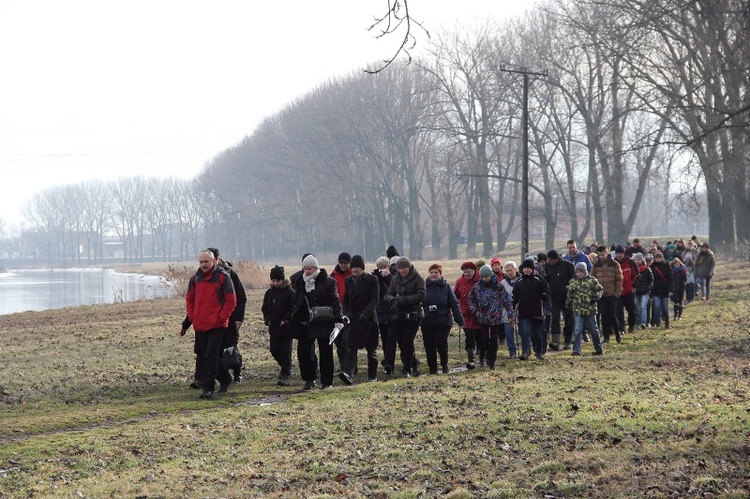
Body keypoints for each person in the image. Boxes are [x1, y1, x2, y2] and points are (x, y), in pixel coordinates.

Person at [180, 247, 246, 386]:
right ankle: (208, 379)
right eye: (201, 262)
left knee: (224, 350)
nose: (204, 264)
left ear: (215, 260)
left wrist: (231, 318)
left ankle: (231, 375)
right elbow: (193, 301)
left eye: (207, 261)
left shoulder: (226, 275)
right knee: (205, 353)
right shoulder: (196, 278)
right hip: (202, 322)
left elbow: (237, 299)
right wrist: (189, 321)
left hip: (223, 321)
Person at [289, 254, 344, 390]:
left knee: (325, 351)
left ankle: (327, 382)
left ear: (316, 268)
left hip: (323, 321)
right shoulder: (298, 281)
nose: (307, 271)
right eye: (305, 268)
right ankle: (309, 379)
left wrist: (338, 319)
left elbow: (335, 301)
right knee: (303, 352)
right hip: (304, 322)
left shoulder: (328, 282)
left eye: (310, 269)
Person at [340, 255, 380, 384]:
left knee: (371, 349)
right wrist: (346, 313)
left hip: (368, 320)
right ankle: (348, 373)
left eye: (357, 267)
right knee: (351, 347)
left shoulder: (372, 280)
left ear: (362, 268)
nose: (355, 270)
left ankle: (372, 375)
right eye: (353, 267)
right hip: (353, 319)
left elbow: (375, 299)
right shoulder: (348, 281)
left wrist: (366, 313)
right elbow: (346, 299)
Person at [467, 265, 515, 369]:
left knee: (494, 339)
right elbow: (470, 299)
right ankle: (482, 357)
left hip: (496, 317)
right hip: (482, 317)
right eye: (483, 277)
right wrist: (475, 311)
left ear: (490, 275)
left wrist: (511, 314)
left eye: (486, 277)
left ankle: (492, 360)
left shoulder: (498, 286)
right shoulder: (477, 286)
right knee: (484, 339)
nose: (485, 279)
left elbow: (506, 300)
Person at [385, 257, 426, 377]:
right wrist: (393, 300)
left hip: (414, 314)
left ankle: (406, 369)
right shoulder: (395, 279)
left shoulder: (418, 278)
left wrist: (403, 300)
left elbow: (421, 295)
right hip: (399, 314)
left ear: (409, 267)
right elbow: (388, 294)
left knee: (408, 340)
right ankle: (413, 363)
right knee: (402, 342)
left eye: (404, 268)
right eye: (399, 268)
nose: (402, 271)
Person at [421, 263, 464, 374]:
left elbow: (454, 304)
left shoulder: (446, 287)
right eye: (431, 272)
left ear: (440, 274)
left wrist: (460, 320)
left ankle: (444, 365)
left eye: (436, 272)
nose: (433, 274)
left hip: (443, 321)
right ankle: (432, 369)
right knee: (429, 345)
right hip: (427, 321)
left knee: (440, 343)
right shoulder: (423, 287)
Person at [262, 265, 296, 386]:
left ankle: (285, 374)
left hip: (286, 328)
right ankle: (285, 367)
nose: (276, 283)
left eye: (278, 281)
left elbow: (294, 308)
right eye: (274, 281)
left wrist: (286, 320)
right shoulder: (269, 293)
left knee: (286, 350)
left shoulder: (290, 292)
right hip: (274, 327)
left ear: (283, 280)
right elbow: (265, 308)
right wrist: (268, 320)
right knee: (274, 349)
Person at [513, 259, 551, 360]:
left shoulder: (539, 279)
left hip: (537, 311)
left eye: (528, 268)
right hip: (524, 312)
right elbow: (515, 295)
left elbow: (547, 291)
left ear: (532, 268)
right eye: (524, 268)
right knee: (525, 333)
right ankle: (525, 352)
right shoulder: (519, 281)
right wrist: (512, 305)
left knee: (537, 334)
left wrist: (545, 297)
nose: (526, 270)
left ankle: (539, 352)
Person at [566, 262, 605, 356]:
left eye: (581, 271)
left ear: (585, 271)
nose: (579, 274)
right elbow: (570, 295)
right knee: (578, 330)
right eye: (577, 272)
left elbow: (600, 290)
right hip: (578, 310)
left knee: (594, 330)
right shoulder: (573, 282)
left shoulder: (592, 281)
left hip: (590, 310)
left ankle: (598, 348)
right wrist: (568, 305)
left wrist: (595, 298)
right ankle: (576, 350)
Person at [453, 261, 483, 369]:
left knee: (480, 337)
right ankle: (471, 359)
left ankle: (482, 357)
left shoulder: (481, 280)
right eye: (465, 272)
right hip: (466, 315)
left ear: (474, 271)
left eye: (468, 272)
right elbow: (455, 297)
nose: (467, 274)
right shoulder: (460, 282)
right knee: (469, 337)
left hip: (480, 314)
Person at [591, 245, 623, 344]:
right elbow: (592, 279)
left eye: (603, 254)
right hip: (601, 295)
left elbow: (619, 279)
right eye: (600, 255)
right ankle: (606, 337)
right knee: (603, 316)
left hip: (612, 294)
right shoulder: (596, 265)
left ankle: (617, 334)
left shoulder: (614, 264)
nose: (602, 257)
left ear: (607, 253)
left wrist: (617, 293)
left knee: (612, 315)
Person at [545, 249, 576, 350]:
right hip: (554, 298)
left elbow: (575, 280)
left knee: (569, 319)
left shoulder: (568, 266)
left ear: (556, 259)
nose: (549, 261)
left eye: (550, 260)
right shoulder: (548, 267)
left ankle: (567, 340)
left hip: (568, 298)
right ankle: (555, 341)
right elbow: (546, 281)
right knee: (555, 319)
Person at [330, 252, 352, 371]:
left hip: (349, 310)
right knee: (338, 341)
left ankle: (350, 365)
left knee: (348, 340)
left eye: (345, 263)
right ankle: (343, 364)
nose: (343, 265)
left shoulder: (352, 274)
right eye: (341, 263)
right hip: (337, 310)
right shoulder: (333, 275)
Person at [372, 256, 394, 359]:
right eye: (380, 267)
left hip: (392, 311)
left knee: (392, 338)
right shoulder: (374, 277)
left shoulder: (394, 275)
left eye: (384, 266)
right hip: (380, 312)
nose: (382, 269)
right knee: (385, 338)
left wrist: (388, 277)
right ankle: (387, 361)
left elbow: (396, 287)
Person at [614, 246, 638, 335]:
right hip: (618, 292)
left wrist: (633, 285)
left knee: (632, 310)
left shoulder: (631, 263)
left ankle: (631, 326)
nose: (619, 255)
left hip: (629, 292)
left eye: (621, 253)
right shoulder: (613, 264)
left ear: (624, 254)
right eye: (617, 253)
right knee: (619, 311)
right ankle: (622, 328)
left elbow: (636, 275)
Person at [498, 261, 520, 359]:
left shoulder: (521, 280)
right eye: (507, 271)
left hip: (521, 310)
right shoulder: (502, 283)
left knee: (523, 331)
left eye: (511, 270)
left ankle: (525, 350)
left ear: (516, 270)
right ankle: (512, 351)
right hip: (507, 312)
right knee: (508, 331)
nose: (509, 273)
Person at [650, 251, 672, 328]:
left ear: (662, 258)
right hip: (656, 290)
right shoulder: (652, 267)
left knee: (665, 308)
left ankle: (667, 322)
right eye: (657, 257)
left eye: (660, 257)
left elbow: (671, 278)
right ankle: (658, 322)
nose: (658, 259)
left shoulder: (667, 266)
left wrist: (670, 290)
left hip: (665, 290)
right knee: (657, 306)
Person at [632, 253, 653, 330]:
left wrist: (648, 288)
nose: (637, 261)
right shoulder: (633, 269)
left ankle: (643, 322)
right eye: (636, 260)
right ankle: (639, 322)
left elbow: (651, 280)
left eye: (638, 260)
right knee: (638, 307)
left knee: (643, 306)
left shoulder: (647, 269)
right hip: (636, 291)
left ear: (641, 260)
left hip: (645, 291)